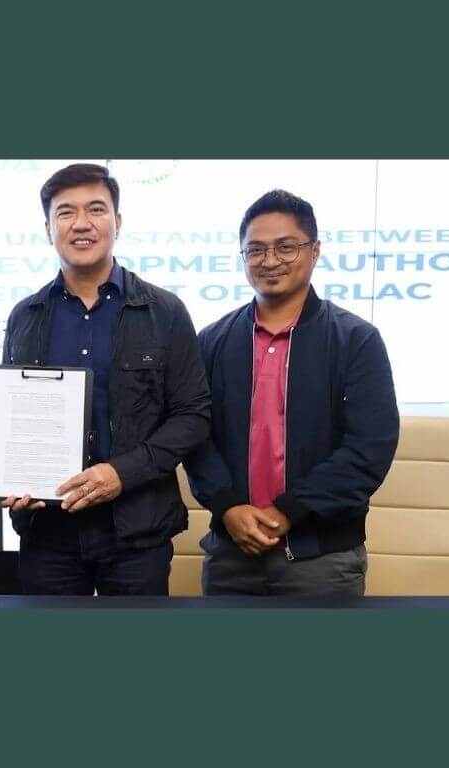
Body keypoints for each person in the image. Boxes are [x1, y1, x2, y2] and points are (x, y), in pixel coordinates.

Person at [1, 163, 211, 595]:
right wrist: (9, 477)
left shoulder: (164, 311)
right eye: (65, 212)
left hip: (137, 529)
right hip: (48, 530)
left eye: (96, 210)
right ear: (47, 228)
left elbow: (193, 414)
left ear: (116, 222)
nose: (81, 223)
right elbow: (11, 417)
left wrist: (122, 473)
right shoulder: (26, 316)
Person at [185, 190, 399, 595]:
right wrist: (227, 507)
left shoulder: (356, 340)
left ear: (314, 250)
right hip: (232, 554)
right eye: (256, 250)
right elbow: (195, 436)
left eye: (286, 247)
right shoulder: (211, 341)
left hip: (323, 560)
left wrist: (289, 511)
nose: (270, 261)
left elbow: (370, 447)